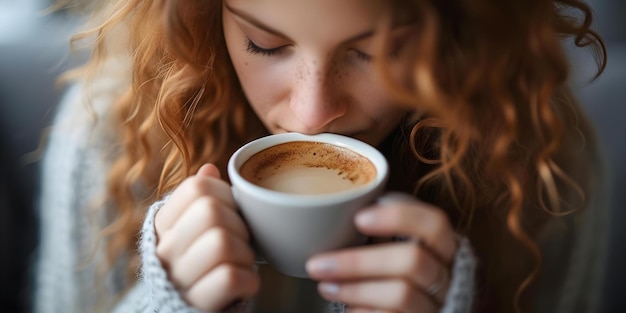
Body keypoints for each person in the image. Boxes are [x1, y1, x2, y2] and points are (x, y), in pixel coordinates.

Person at [33, 0, 609, 312]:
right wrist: (165, 307)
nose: (311, 115)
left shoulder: (539, 155)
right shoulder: (116, 126)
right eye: (264, 43)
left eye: (374, 53)